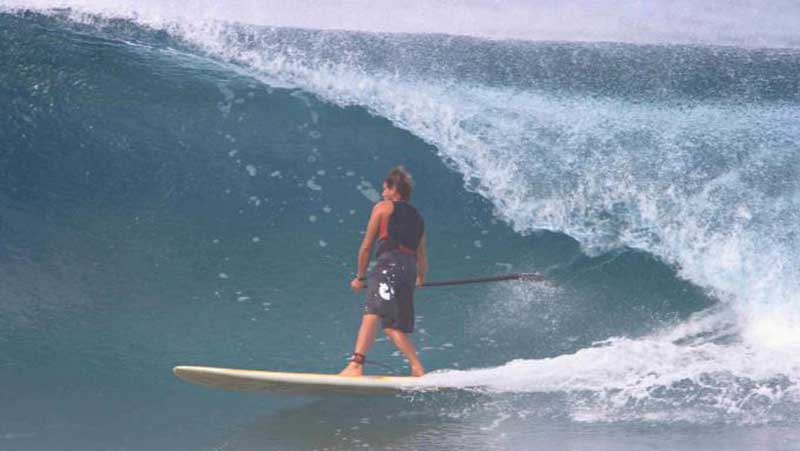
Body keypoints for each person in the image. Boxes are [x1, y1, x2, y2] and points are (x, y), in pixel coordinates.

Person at [339, 166, 427, 377]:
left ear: (393, 188)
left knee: (372, 311)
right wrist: (420, 278)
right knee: (391, 324)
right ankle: (417, 368)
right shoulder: (418, 218)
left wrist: (360, 278)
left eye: (384, 188)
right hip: (409, 269)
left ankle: (356, 365)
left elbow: (367, 246)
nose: (382, 192)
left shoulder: (383, 207)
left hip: (389, 266)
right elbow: (421, 255)